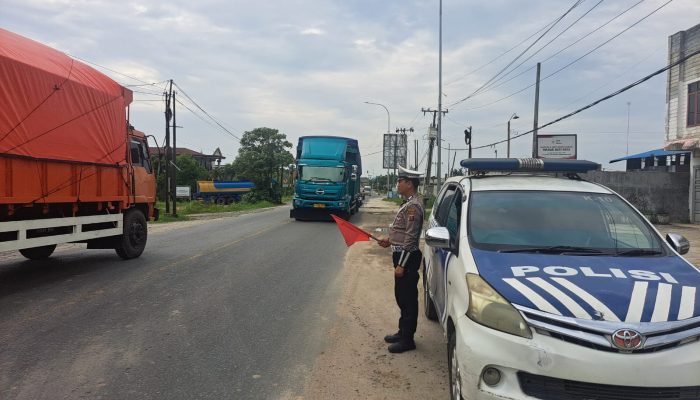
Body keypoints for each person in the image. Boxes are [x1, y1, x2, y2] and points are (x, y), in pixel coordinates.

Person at [377, 165, 424, 353]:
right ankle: (402, 332)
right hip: (400, 254)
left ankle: (408, 339)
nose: (397, 184)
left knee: (408, 298)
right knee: (401, 297)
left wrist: (402, 264)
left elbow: (411, 239)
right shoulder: (408, 203)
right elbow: (402, 232)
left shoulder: (413, 207)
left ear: (409, 184)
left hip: (408, 258)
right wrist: (389, 240)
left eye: (400, 181)